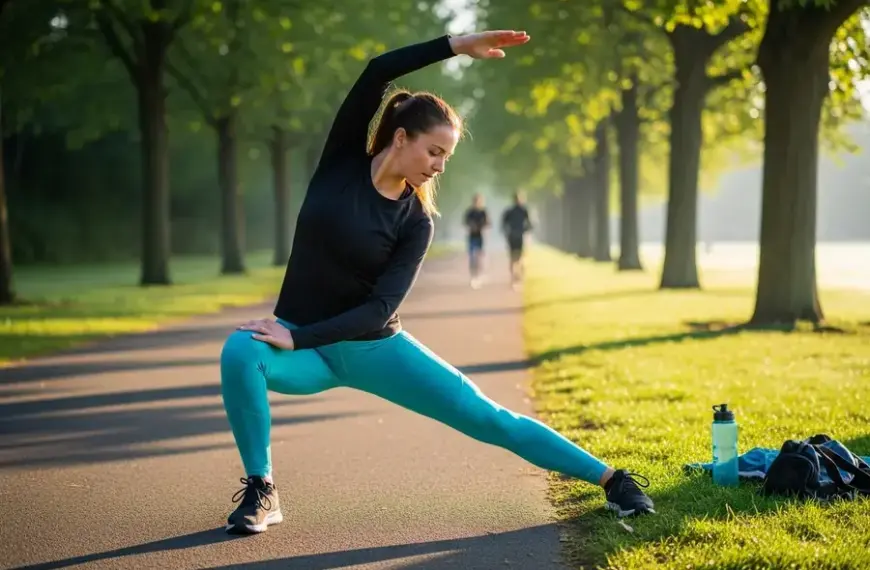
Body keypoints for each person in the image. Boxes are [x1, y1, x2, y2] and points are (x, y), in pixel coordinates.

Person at [219, 30, 655, 535]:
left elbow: (378, 311)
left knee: (489, 419)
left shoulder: (415, 222)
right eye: (434, 151)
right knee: (239, 352)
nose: (439, 165)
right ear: (400, 137)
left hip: (372, 350)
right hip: (307, 352)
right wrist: (455, 45)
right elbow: (378, 68)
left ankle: (614, 480)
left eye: (446, 157)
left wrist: (297, 335)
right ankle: (262, 489)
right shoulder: (340, 165)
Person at [501, 191, 533, 289]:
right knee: (513, 258)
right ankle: (514, 279)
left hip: (521, 236)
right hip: (512, 237)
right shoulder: (509, 212)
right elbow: (503, 224)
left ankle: (519, 278)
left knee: (520, 258)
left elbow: (530, 224)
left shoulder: (524, 211)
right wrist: (507, 233)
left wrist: (525, 231)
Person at [463, 193, 489, 288]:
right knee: (472, 257)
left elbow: (488, 223)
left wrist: (482, 227)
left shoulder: (483, 212)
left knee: (480, 257)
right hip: (472, 237)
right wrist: (471, 226)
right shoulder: (470, 212)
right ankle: (473, 276)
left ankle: (479, 275)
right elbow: (465, 222)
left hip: (480, 237)